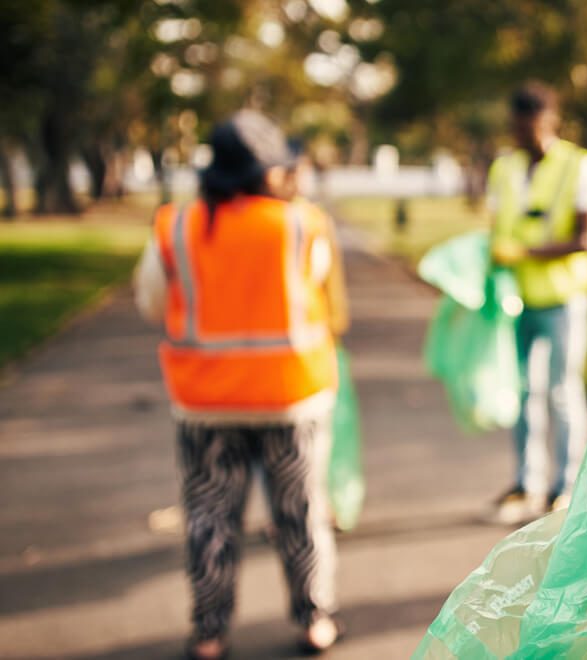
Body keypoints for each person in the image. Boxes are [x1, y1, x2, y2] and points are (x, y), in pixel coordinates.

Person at [133, 110, 347, 658]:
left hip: (205, 403)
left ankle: (209, 632)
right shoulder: (300, 223)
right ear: (269, 170)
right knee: (299, 513)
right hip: (291, 398)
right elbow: (322, 297)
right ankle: (314, 620)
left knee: (209, 518)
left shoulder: (177, 227)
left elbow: (151, 301)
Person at [486, 82, 587, 524]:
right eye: (519, 128)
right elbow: (495, 226)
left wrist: (525, 253)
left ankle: (567, 485)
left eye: (532, 127)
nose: (525, 137)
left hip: (563, 298)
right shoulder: (504, 167)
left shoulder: (582, 166)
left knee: (561, 391)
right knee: (521, 391)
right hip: (515, 300)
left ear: (550, 122)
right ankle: (527, 482)